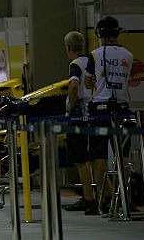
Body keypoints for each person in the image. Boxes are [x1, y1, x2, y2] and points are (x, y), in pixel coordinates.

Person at [85, 15, 134, 215]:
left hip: (100, 109)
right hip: (122, 108)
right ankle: (126, 199)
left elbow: (88, 82)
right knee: (123, 156)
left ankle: (102, 200)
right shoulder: (129, 55)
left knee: (98, 156)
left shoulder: (95, 54)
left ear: (100, 34)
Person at [62, 30, 96, 212]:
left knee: (79, 158)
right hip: (92, 112)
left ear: (68, 47)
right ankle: (102, 195)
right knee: (94, 158)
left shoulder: (75, 64)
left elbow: (74, 85)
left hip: (78, 114)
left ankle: (89, 197)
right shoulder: (91, 61)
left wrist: (71, 104)